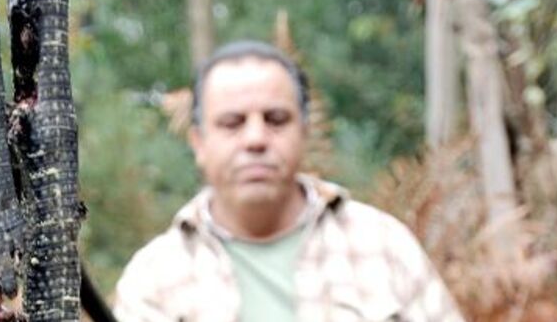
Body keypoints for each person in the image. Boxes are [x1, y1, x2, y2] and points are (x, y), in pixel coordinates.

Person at [114, 40, 464, 322]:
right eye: (232, 123)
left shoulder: (383, 246)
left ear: (305, 132)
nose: (256, 139)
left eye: (276, 119)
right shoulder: (154, 278)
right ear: (199, 143)